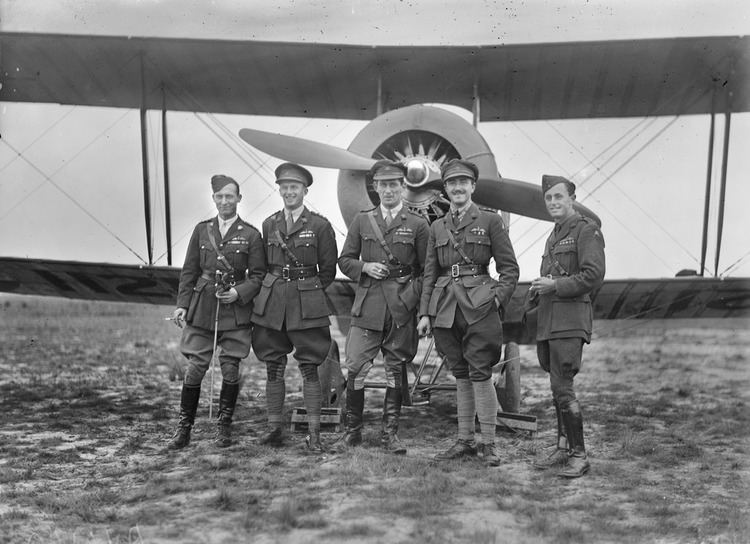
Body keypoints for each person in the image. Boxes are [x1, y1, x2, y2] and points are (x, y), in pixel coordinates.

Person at [417, 159, 519, 467]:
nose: (458, 187)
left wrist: (496, 300)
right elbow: (430, 273)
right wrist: (425, 313)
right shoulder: (436, 227)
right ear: (445, 189)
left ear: (472, 187)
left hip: (480, 306)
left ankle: (487, 444)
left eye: (464, 182)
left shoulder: (490, 221)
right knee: (460, 373)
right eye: (452, 183)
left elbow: (509, 269)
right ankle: (464, 440)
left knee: (481, 372)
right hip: (446, 308)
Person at [335, 160, 430, 454]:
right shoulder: (363, 221)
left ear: (403, 187)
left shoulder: (417, 224)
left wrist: (418, 303)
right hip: (369, 304)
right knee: (356, 367)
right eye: (383, 185)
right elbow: (345, 260)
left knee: (394, 369)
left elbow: (428, 270)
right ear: (375, 188)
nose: (389, 190)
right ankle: (354, 432)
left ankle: (390, 434)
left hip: (402, 306)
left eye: (394, 185)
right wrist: (365, 266)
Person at [167, 174, 266, 450]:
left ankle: (224, 426)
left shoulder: (251, 235)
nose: (225, 201)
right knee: (195, 368)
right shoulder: (202, 231)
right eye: (219, 197)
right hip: (202, 308)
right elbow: (189, 272)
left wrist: (239, 292)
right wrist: (182, 305)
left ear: (239, 199)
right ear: (214, 199)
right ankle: (184, 428)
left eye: (229, 196)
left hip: (235, 310)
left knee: (231, 367)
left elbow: (258, 276)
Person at [251, 163, 338, 453]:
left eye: (295, 188)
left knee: (310, 367)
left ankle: (314, 434)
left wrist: (306, 291)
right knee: (273, 366)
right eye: (285, 187)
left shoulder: (320, 226)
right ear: (280, 190)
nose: (290, 192)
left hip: (306, 303)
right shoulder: (269, 224)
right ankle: (274, 429)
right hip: (273, 301)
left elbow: (326, 271)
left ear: (305, 191)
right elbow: (262, 267)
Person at [530, 174, 605, 478]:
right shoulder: (556, 233)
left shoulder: (586, 231)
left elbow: (593, 275)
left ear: (572, 199)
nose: (553, 203)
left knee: (563, 388)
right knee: (555, 387)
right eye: (548, 198)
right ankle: (563, 448)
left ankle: (579, 454)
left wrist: (555, 285)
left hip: (570, 320)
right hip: (550, 320)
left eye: (559, 197)